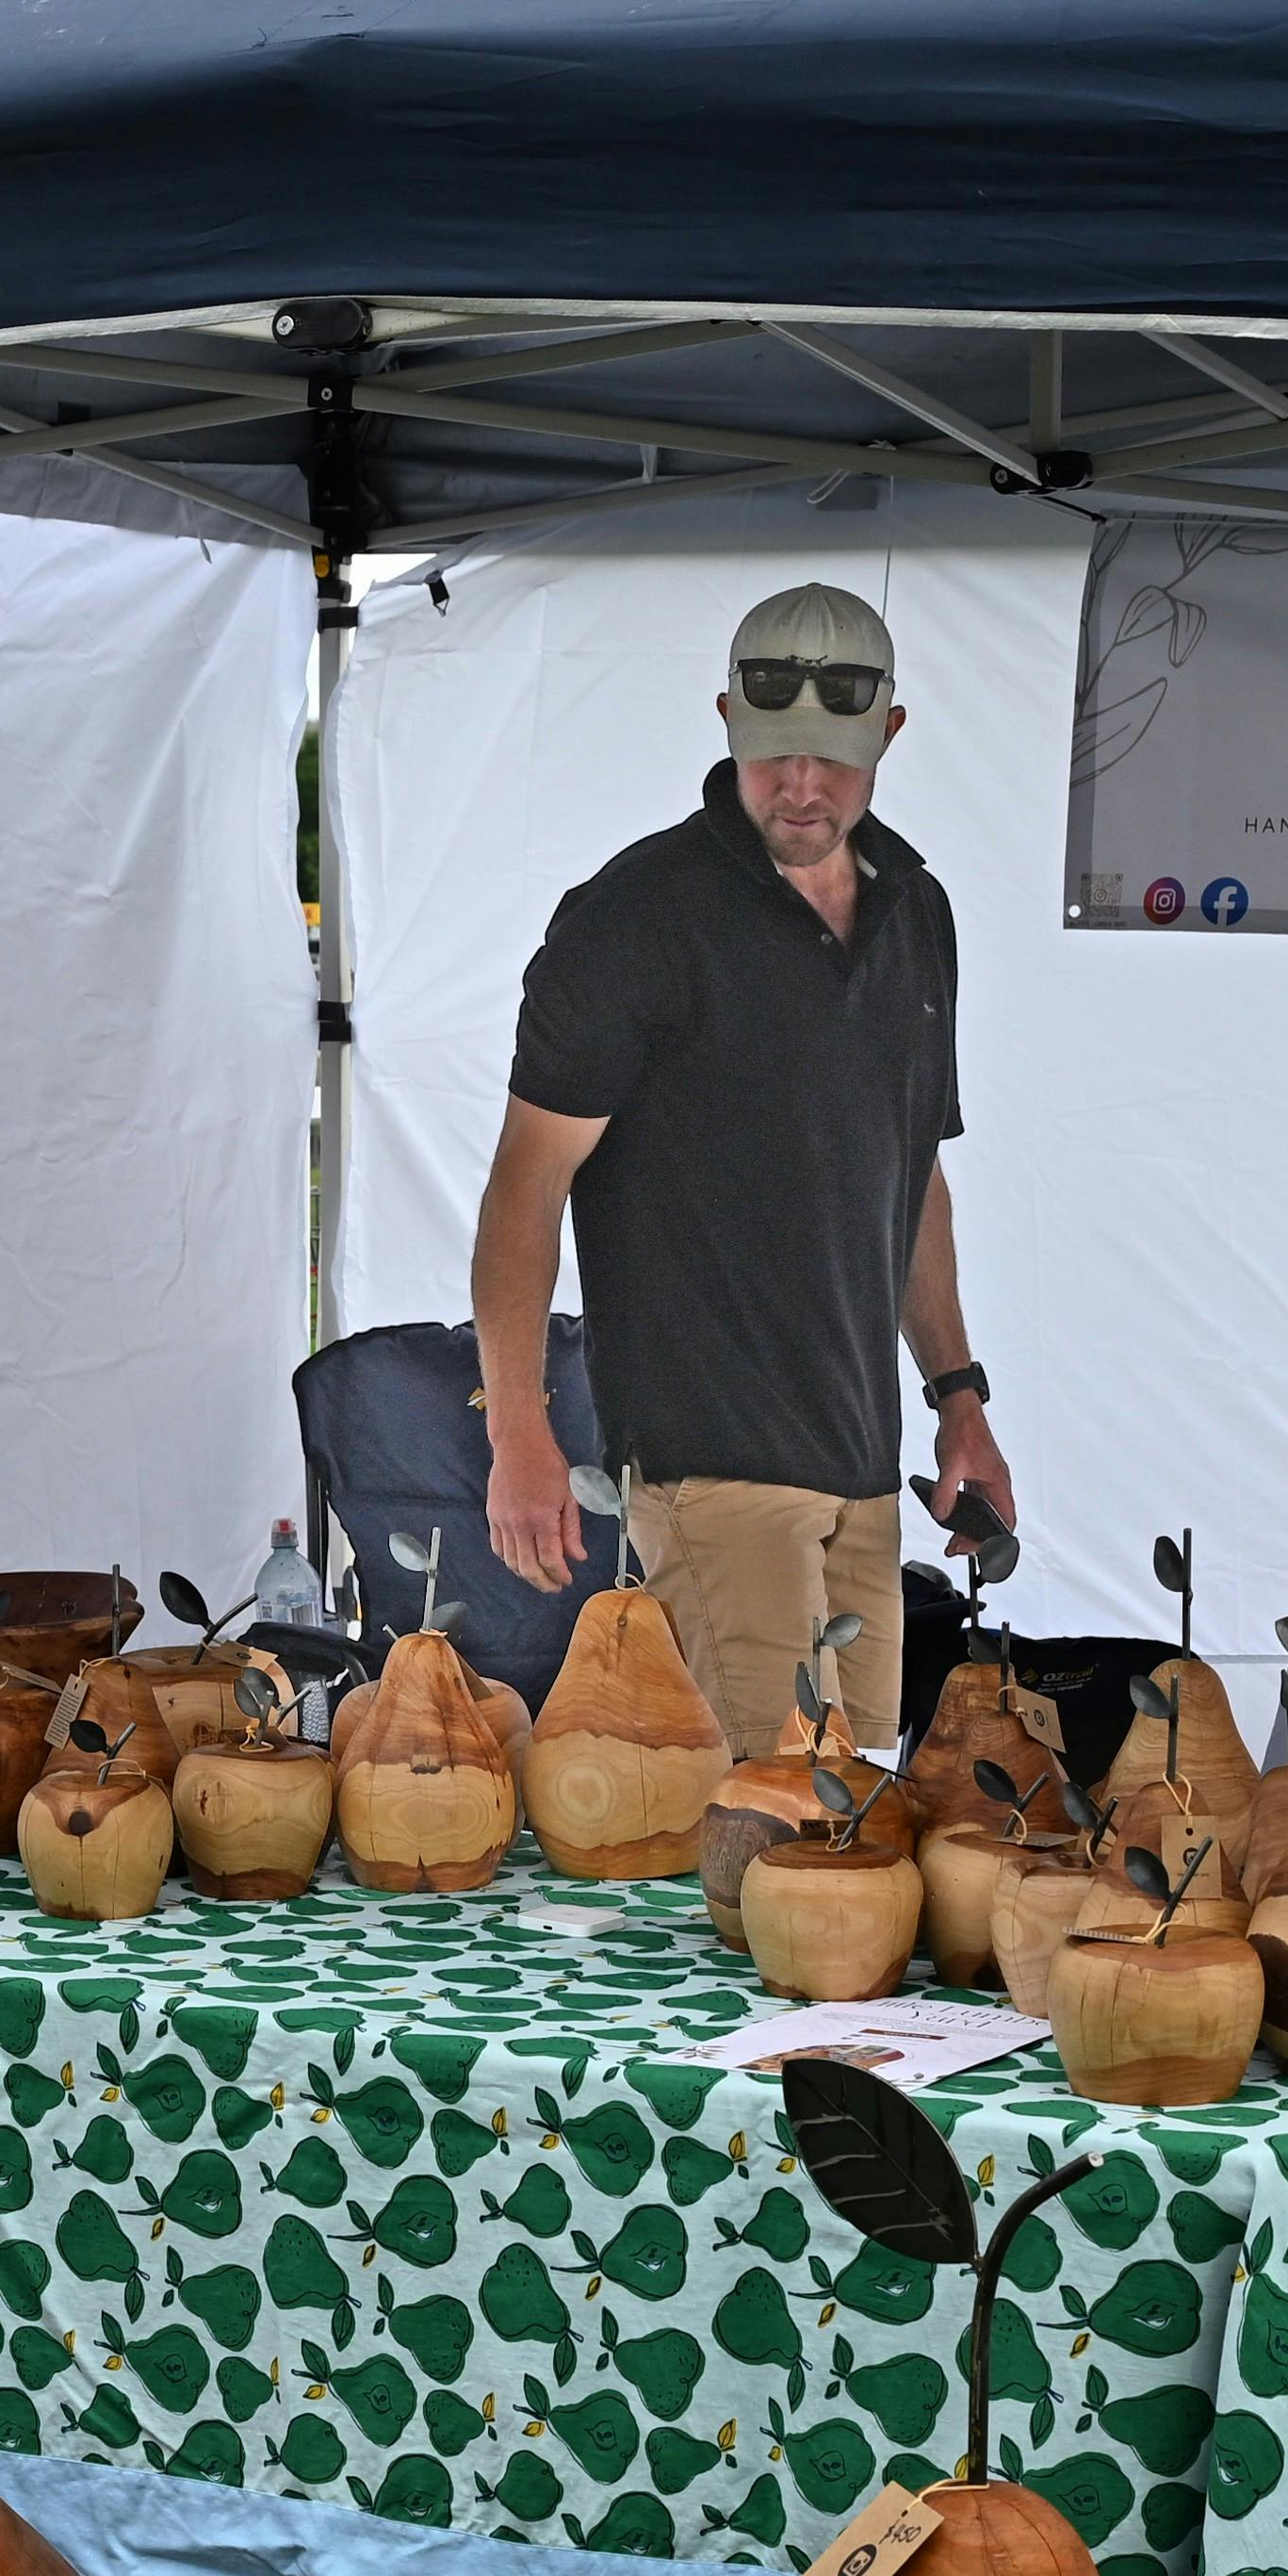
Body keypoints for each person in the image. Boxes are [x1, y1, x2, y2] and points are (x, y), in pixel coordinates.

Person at [470, 582, 1012, 1747]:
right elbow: (526, 1185)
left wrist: (959, 1402)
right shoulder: (633, 919)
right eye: (773, 756)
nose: (801, 787)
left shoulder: (918, 913)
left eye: (832, 759)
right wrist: (517, 1425)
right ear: (726, 721)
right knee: (764, 1821)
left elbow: (912, 1178)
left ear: (889, 738)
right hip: (708, 1457)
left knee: (854, 1814)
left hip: (864, 1461)